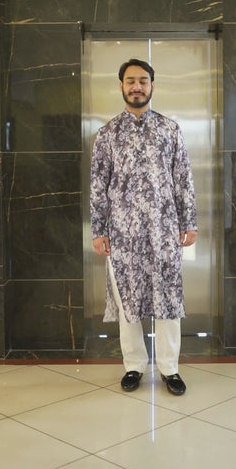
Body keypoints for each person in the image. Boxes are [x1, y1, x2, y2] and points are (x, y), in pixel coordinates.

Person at [90, 58, 197, 395]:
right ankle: (134, 365)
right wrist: (98, 230)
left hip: (164, 231)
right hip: (123, 234)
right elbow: (98, 186)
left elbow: (183, 180)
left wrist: (189, 222)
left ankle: (169, 368)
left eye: (143, 81)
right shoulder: (107, 134)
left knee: (167, 299)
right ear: (121, 86)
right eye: (130, 81)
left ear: (152, 85)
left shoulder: (170, 130)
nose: (137, 87)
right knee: (129, 302)